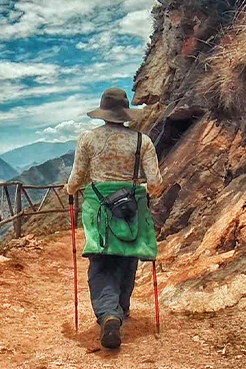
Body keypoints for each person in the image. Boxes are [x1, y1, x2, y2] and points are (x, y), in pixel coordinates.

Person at [65, 88, 162, 349]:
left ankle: (109, 314)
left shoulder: (88, 139)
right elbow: (155, 183)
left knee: (102, 261)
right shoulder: (143, 142)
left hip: (99, 208)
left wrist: (70, 190)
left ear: (103, 113)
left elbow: (77, 177)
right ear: (125, 113)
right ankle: (120, 309)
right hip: (131, 207)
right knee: (127, 255)